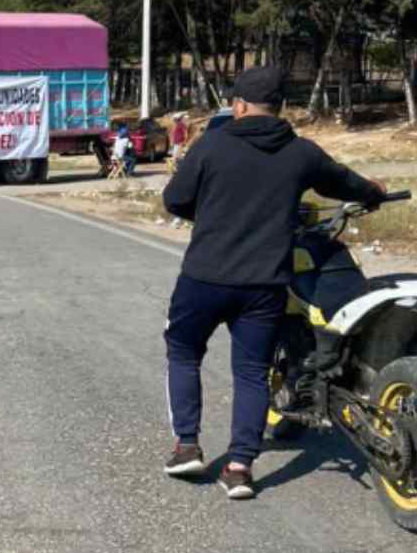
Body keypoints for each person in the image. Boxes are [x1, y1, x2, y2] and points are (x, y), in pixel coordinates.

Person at [160, 66, 384, 500]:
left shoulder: (212, 145)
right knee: (251, 372)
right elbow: (347, 183)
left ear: (238, 105)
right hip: (263, 285)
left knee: (183, 351)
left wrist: (208, 217)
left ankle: (187, 445)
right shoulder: (301, 152)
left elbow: (175, 198)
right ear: (280, 108)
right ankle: (241, 467)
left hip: (204, 278)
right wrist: (373, 191)